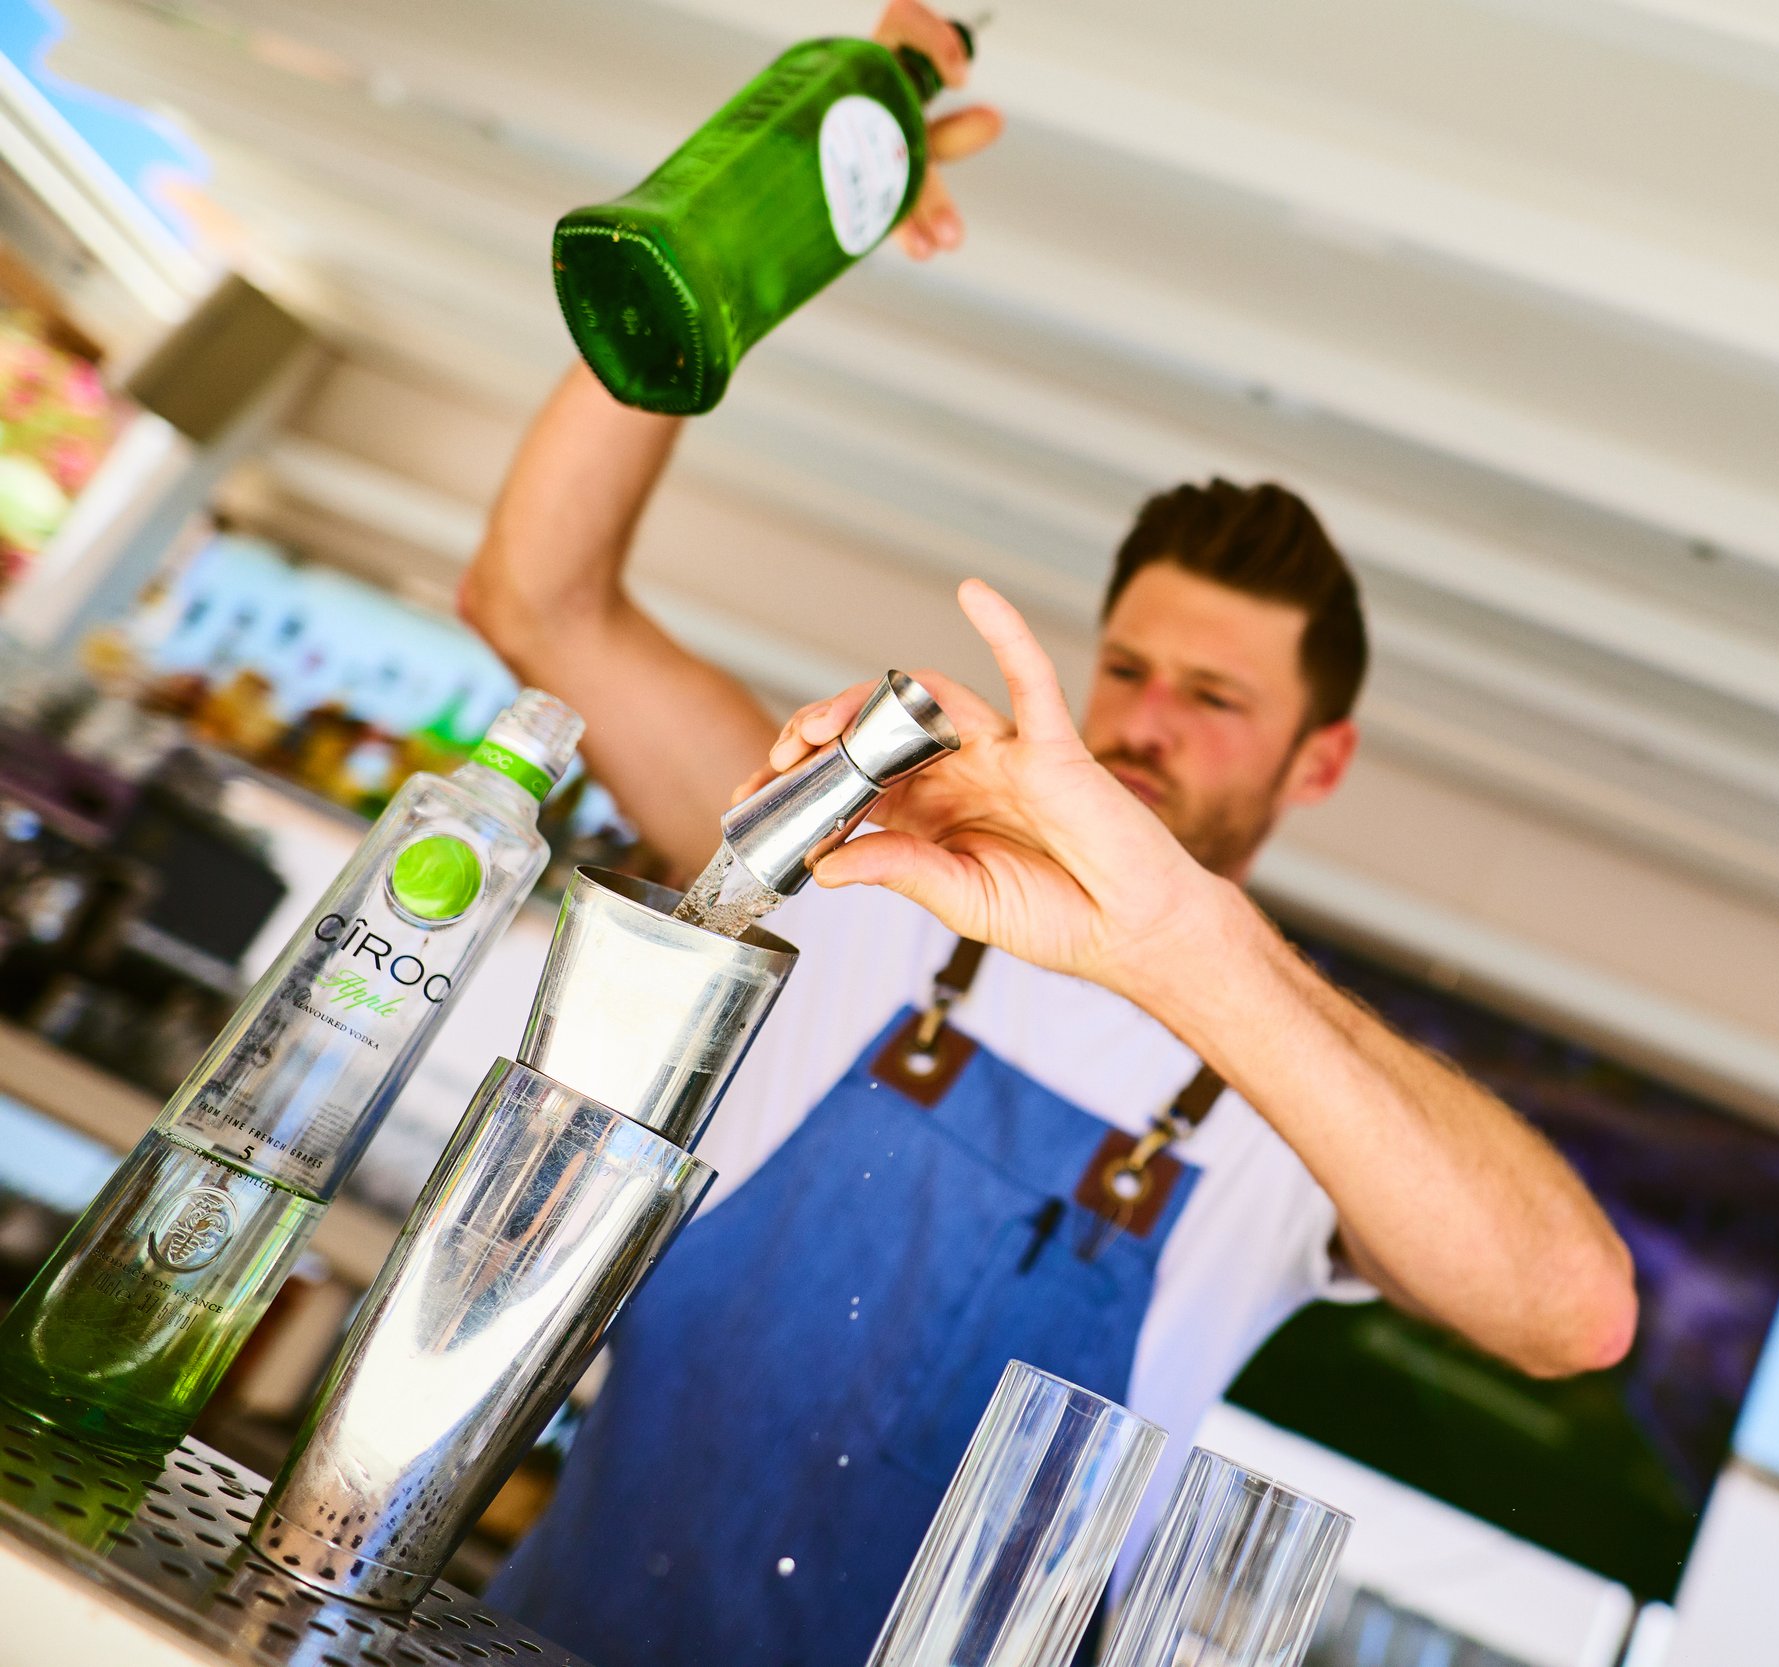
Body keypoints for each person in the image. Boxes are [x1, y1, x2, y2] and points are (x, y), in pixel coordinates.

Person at [460, 7, 1635, 1663]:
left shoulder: (1295, 1105)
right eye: (1132, 668)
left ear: (1320, 762)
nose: (1148, 719)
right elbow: (538, 602)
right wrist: (737, 247)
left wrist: (1187, 948)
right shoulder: (861, 875)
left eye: (1216, 698)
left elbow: (1569, 1309)